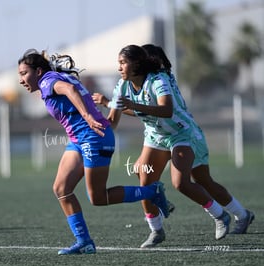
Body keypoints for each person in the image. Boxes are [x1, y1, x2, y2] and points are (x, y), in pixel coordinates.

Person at [92, 44, 254, 248]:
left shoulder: (159, 80)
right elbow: (113, 121)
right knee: (144, 180)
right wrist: (95, 127)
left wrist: (129, 105)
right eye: (119, 63)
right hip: (156, 136)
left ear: (139, 63)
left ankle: (226, 215)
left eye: (123, 62)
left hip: (182, 133)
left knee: (187, 182)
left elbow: (166, 111)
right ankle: (156, 230)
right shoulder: (122, 85)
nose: (119, 67)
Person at [18, 49, 170, 255]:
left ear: (37, 71)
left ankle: (153, 192)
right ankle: (84, 242)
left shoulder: (47, 81)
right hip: (80, 139)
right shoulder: (52, 79)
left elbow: (71, 91)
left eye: (23, 73)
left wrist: (88, 116)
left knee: (97, 198)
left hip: (93, 136)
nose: (21, 79)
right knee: (61, 189)